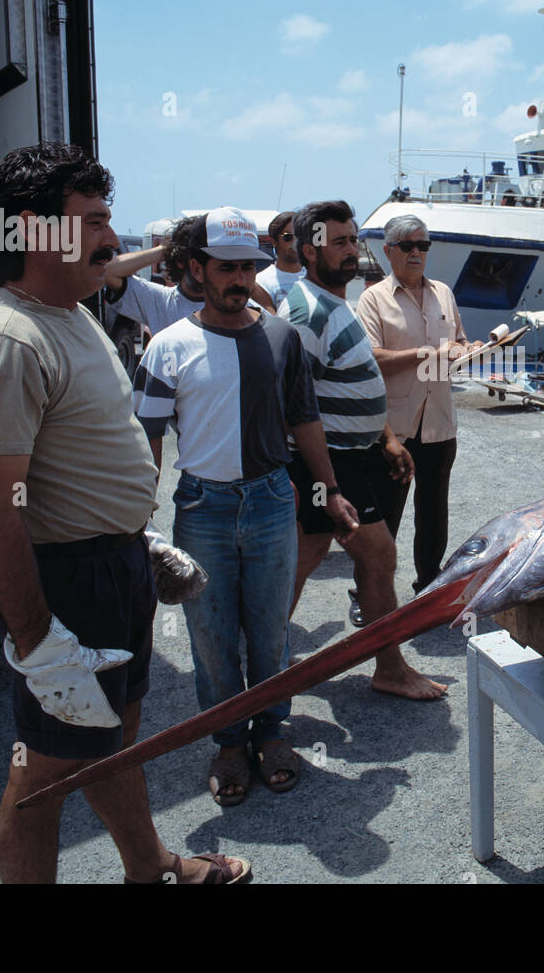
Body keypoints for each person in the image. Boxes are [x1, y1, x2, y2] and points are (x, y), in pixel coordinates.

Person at [0, 142, 249, 883]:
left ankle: (150, 868)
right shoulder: (5, 339)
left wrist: (132, 541)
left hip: (115, 566)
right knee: (42, 778)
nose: (110, 241)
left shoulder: (68, 309)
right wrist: (41, 640)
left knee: (117, 741)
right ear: (33, 230)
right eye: (94, 222)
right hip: (68, 589)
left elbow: (69, 462)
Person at [133, 214, 358, 805]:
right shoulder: (166, 347)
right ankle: (228, 743)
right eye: (226, 267)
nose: (239, 279)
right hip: (201, 508)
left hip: (269, 503)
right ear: (196, 269)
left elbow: (305, 420)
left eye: (247, 267)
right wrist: (140, 519)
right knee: (208, 637)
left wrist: (330, 490)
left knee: (270, 630)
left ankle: (271, 731)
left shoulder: (281, 338)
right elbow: (147, 438)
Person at [279, 199, 447, 701]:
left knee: (306, 553)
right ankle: (390, 668)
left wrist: (387, 439)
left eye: (354, 239)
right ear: (311, 251)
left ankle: (259, 652)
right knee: (379, 554)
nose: (353, 250)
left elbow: (351, 386)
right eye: (340, 242)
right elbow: (295, 407)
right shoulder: (306, 313)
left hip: (353, 454)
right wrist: (325, 484)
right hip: (328, 462)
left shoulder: (336, 303)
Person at [355, 213, 482, 593]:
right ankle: (368, 591)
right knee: (384, 517)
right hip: (395, 429)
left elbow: (458, 341)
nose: (416, 253)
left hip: (439, 425)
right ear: (388, 251)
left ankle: (428, 583)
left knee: (433, 514)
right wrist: (427, 352)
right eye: (408, 246)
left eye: (423, 246)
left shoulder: (444, 292)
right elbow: (371, 359)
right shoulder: (373, 298)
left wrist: (471, 348)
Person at [102, 207, 275, 332]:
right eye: (226, 266)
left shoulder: (243, 309)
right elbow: (109, 271)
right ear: (188, 264)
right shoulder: (161, 302)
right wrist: (168, 249)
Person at [255, 210, 306, 309]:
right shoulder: (262, 282)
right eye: (288, 237)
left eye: (299, 237)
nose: (295, 242)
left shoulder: (318, 277)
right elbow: (273, 321)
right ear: (274, 242)